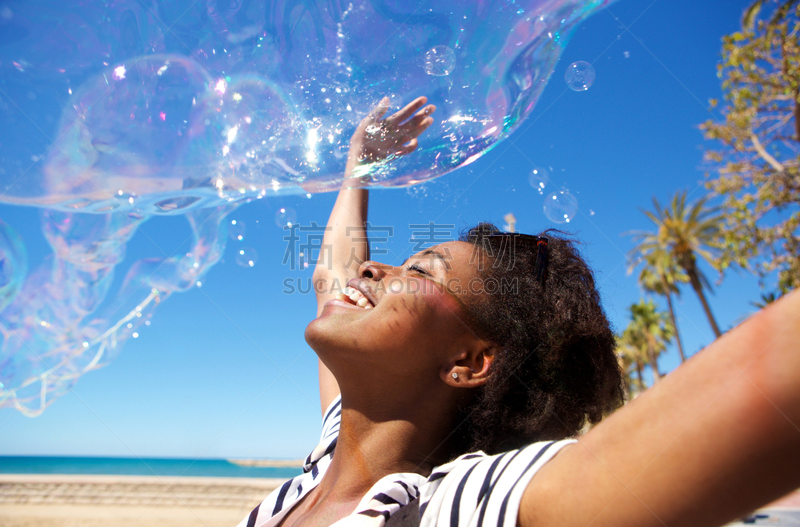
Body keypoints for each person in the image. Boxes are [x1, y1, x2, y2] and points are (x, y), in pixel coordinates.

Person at [238, 97, 800, 527]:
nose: (371, 270)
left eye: (422, 271)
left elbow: (767, 381)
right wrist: (358, 166)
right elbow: (335, 274)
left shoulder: (467, 502)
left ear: (470, 361)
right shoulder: (331, 452)